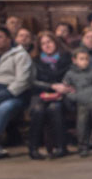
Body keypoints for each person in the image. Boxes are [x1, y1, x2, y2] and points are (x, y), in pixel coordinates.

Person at [0, 25, 34, 160]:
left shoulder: (20, 55)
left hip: (14, 96)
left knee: (4, 108)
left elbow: (23, 80)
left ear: (8, 39)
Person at [27, 31, 74, 159]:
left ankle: (61, 147)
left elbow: (73, 74)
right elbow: (32, 81)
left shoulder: (67, 57)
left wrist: (64, 86)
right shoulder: (35, 60)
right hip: (42, 92)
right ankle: (33, 149)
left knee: (55, 108)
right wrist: (51, 86)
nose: (47, 45)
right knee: (38, 110)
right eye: (43, 44)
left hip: (62, 93)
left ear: (56, 42)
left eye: (49, 42)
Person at [63, 48, 92, 157]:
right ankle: (83, 146)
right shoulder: (70, 74)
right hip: (81, 101)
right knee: (82, 123)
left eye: (87, 59)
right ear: (74, 60)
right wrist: (75, 96)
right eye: (81, 59)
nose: (85, 61)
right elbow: (66, 89)